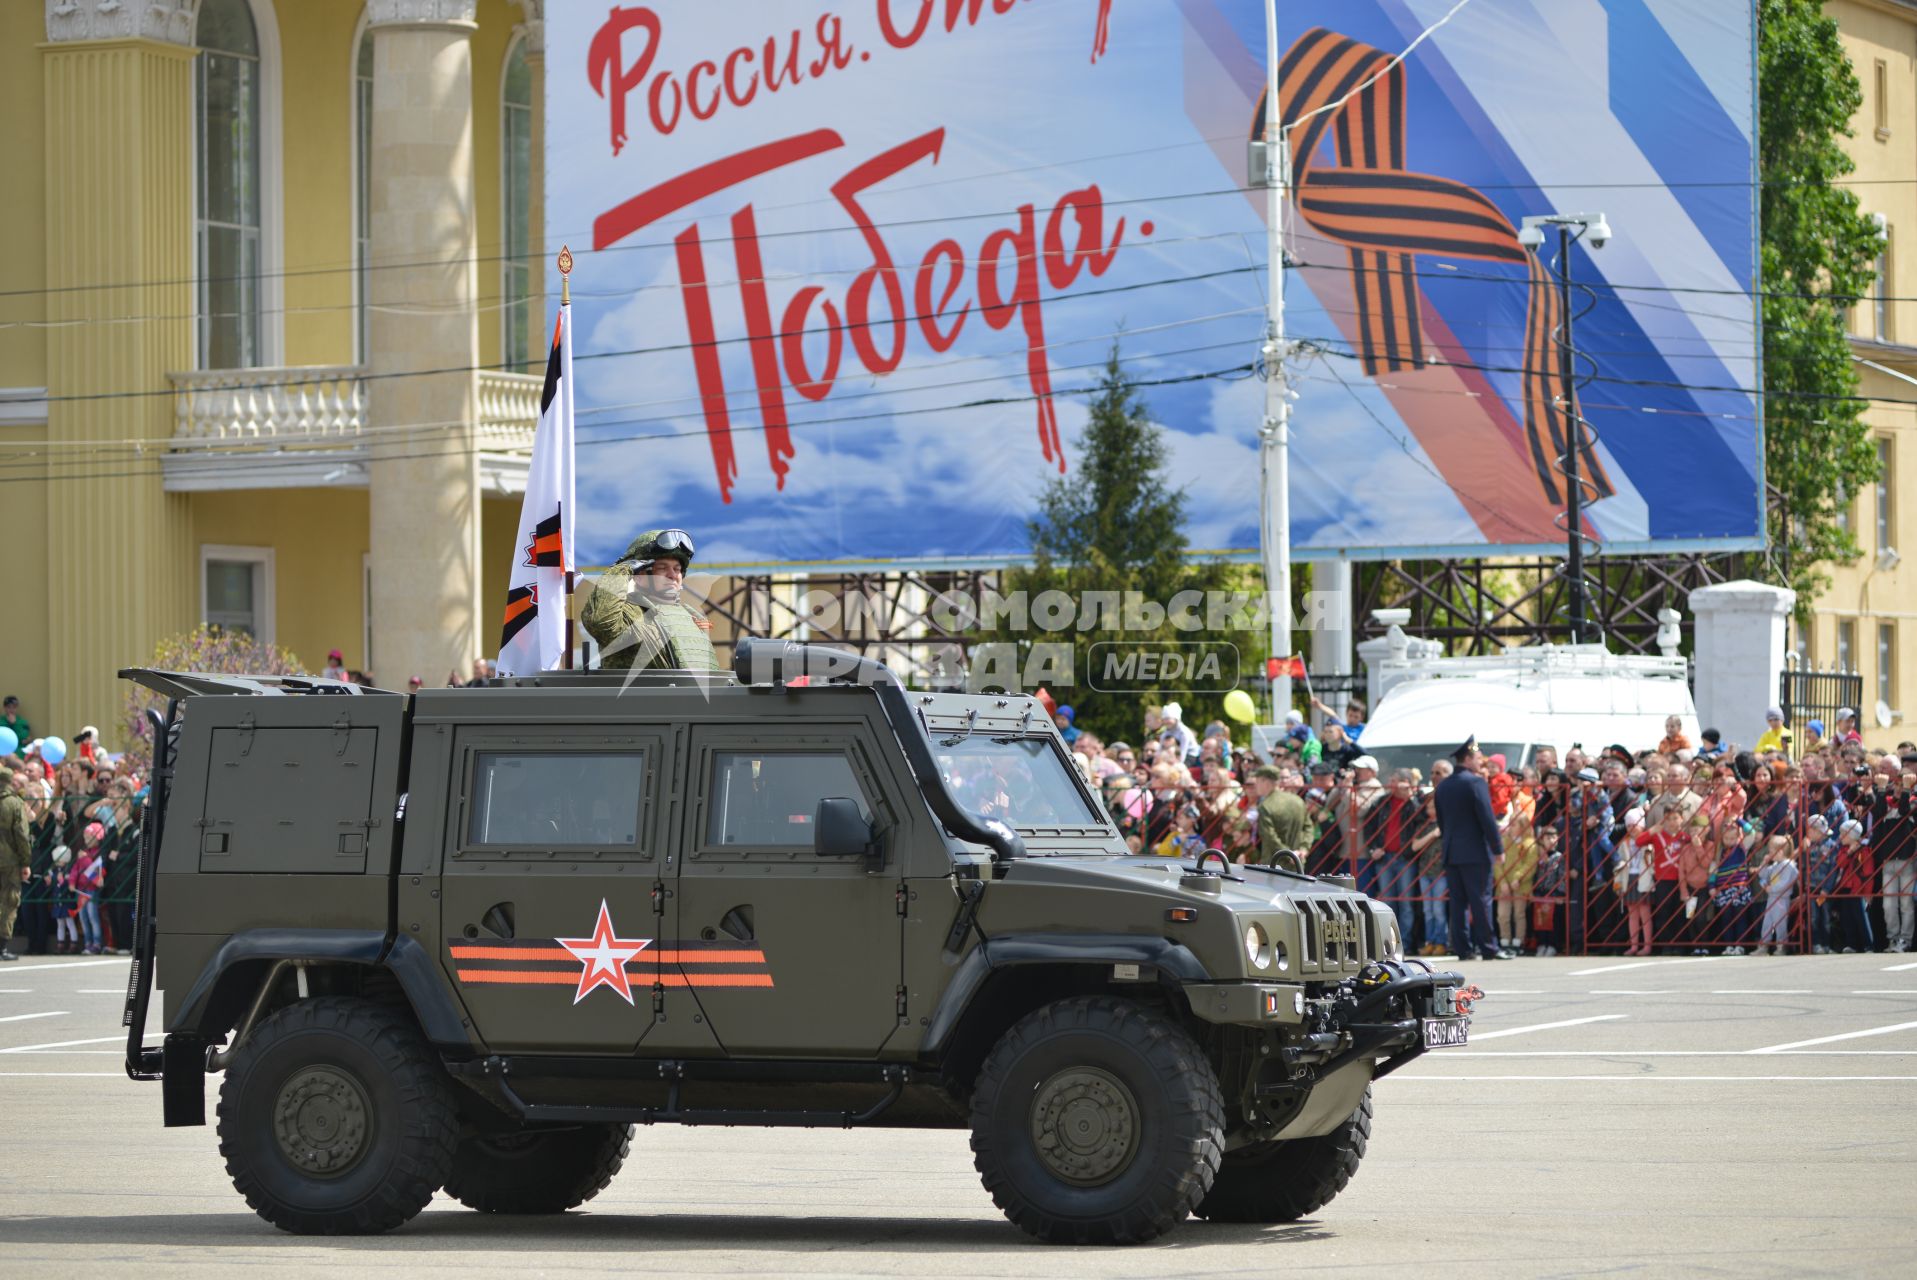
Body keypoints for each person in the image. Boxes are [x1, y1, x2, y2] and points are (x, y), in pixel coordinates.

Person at [582, 528, 720, 672]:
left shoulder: (691, 616)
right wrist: (622, 570)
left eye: (677, 569)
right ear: (640, 576)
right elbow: (603, 624)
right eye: (662, 568)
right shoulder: (629, 613)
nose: (672, 575)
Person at [1435, 736, 1501, 961]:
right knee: (1481, 900)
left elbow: (1442, 822)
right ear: (1469, 758)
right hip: (1475, 852)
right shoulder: (1475, 783)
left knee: (1458, 903)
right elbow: (1487, 818)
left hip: (1452, 852)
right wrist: (1498, 848)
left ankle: (1464, 949)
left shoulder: (1443, 786)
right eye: (1478, 758)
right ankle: (1488, 947)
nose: (1481, 762)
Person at [1496, 805, 1540, 955]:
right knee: (1503, 915)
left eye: (1514, 824)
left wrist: (1517, 878)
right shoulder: (1503, 841)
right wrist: (1502, 881)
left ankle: (1518, 942)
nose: (1511, 826)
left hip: (1521, 886)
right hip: (1504, 886)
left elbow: (1530, 864)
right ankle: (1505, 940)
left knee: (1519, 914)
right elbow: (1497, 863)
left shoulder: (1530, 844)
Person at [1615, 807, 1656, 956]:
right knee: (1632, 913)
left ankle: (1647, 945)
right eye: (1629, 826)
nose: (1632, 828)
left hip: (1643, 877)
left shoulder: (1648, 840)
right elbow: (1620, 861)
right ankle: (1634, 945)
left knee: (1645, 913)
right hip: (1629, 877)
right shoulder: (1625, 843)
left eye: (1635, 824)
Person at [1248, 764, 1308, 864]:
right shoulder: (1298, 801)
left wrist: (1289, 855)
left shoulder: (1266, 806)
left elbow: (1270, 838)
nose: (1255, 785)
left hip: (1274, 865)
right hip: (1297, 864)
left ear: (1265, 782)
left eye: (1257, 781)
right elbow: (1308, 827)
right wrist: (1303, 849)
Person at [1753, 835, 1798, 956]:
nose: (1770, 853)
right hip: (1772, 897)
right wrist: (1764, 863)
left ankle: (1781, 945)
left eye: (1772, 851)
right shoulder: (1775, 865)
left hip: (1781, 899)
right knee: (1767, 922)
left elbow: (1785, 883)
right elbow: (1762, 875)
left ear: (1780, 851)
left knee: (1780, 922)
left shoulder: (1788, 865)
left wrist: (1771, 889)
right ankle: (1764, 946)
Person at [0, 770, 29, 961]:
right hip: (9, 861)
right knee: (10, 902)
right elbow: (22, 835)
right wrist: (25, 862)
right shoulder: (14, 803)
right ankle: (2, 946)